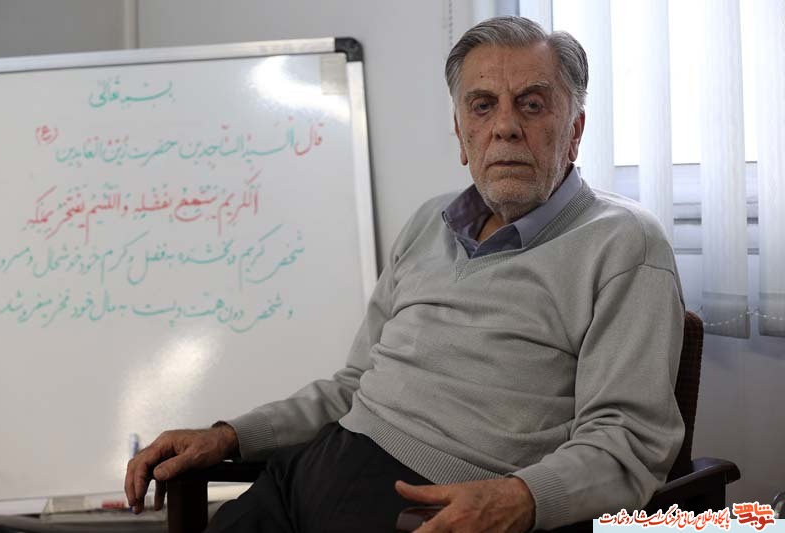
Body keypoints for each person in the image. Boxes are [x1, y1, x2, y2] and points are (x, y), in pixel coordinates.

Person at [125, 16, 685, 532]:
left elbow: (627, 441)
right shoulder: (429, 223)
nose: (505, 127)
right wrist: (230, 435)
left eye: (532, 105)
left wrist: (517, 498)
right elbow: (351, 385)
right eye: (482, 105)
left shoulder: (624, 243)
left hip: (435, 508)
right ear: (461, 133)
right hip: (306, 472)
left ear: (576, 129)